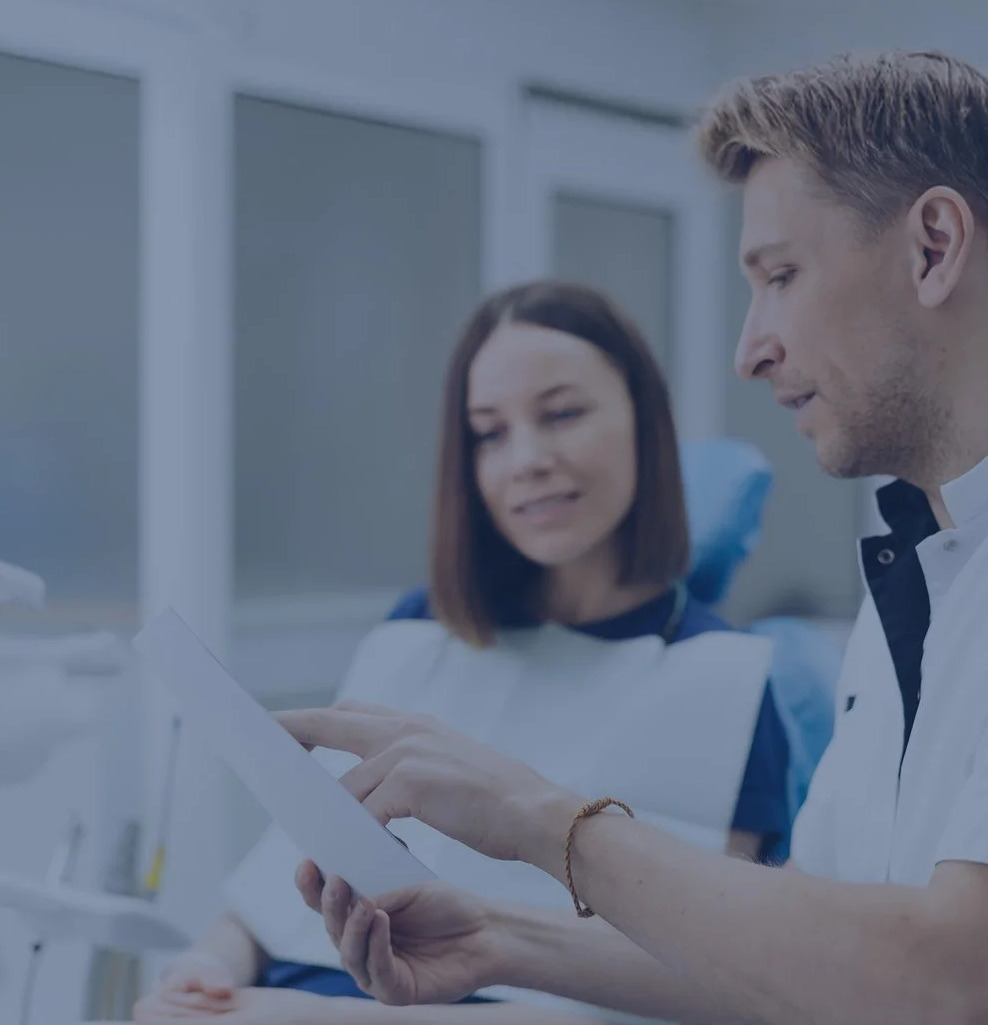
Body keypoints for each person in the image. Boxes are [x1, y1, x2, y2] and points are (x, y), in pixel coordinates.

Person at [280, 52, 988, 1025]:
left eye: (777, 277)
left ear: (934, 246)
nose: (750, 349)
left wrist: (539, 819)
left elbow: (966, 984)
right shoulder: (931, 567)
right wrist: (508, 937)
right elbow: (813, 961)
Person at [137, 281, 794, 1023]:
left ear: (645, 421)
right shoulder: (418, 630)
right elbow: (274, 887)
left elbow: (716, 981)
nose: (527, 459)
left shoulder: (724, 679)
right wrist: (205, 970)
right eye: (489, 432)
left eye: (563, 413)